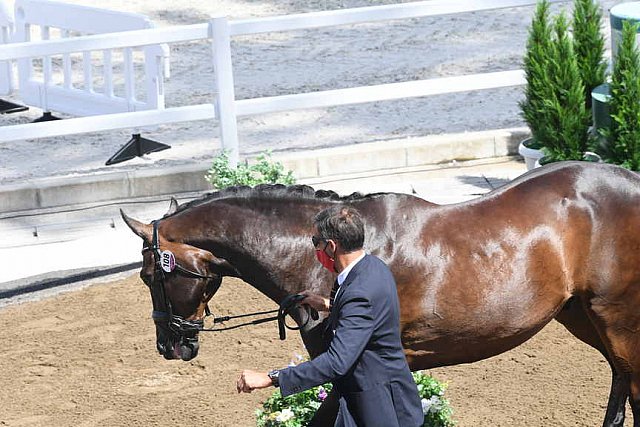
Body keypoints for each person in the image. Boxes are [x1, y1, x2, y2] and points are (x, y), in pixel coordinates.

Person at [237, 205, 423, 427]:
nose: (315, 248)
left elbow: (337, 361)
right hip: (372, 392)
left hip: (376, 405)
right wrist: (329, 304)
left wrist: (270, 378)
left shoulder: (358, 292)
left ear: (332, 246)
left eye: (317, 242)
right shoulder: (373, 267)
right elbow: (369, 314)